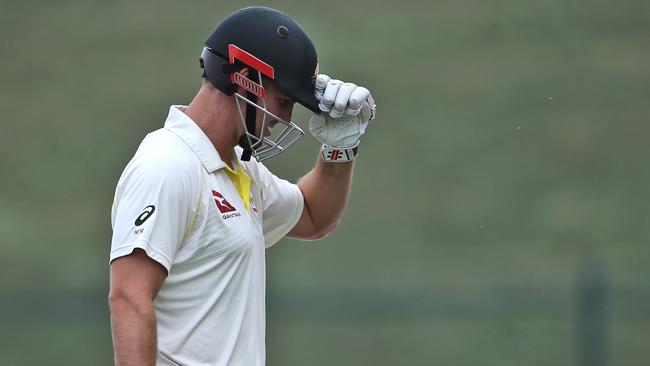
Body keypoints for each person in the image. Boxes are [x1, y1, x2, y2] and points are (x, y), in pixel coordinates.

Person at [108, 6, 376, 366]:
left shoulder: (239, 168)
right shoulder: (168, 164)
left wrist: (339, 149)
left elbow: (315, 217)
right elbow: (129, 296)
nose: (284, 118)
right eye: (283, 101)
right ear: (245, 78)